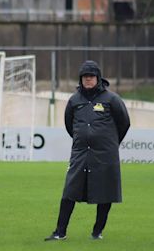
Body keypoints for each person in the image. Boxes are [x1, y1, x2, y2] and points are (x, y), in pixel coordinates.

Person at [45, 60, 130, 241]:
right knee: (69, 191)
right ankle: (60, 232)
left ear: (98, 78)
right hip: (81, 153)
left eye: (91, 76)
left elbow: (124, 123)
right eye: (85, 77)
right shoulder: (74, 100)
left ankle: (97, 231)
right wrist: (82, 139)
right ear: (80, 79)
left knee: (106, 193)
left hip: (106, 155)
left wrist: (110, 143)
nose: (88, 80)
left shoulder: (112, 99)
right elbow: (69, 125)